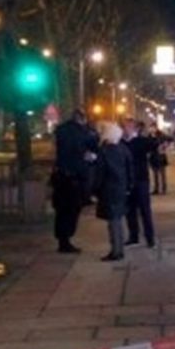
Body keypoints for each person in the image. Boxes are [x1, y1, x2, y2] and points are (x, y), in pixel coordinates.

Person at [52, 109, 94, 254]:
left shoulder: (61, 130)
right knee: (72, 209)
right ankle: (66, 239)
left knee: (61, 210)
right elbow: (92, 146)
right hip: (75, 177)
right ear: (81, 119)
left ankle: (61, 240)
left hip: (61, 176)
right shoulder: (82, 132)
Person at [94, 123, 133, 262]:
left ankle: (116, 251)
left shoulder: (104, 151)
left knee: (113, 222)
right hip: (121, 189)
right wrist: (129, 186)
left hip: (108, 189)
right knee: (118, 220)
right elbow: (130, 169)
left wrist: (94, 190)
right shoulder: (123, 149)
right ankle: (119, 249)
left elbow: (99, 173)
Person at [123, 119, 156, 248]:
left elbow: (155, 145)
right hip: (127, 181)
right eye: (124, 127)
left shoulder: (142, 141)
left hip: (141, 180)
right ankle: (133, 236)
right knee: (130, 210)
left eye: (128, 127)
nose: (125, 129)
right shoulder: (121, 143)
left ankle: (150, 238)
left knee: (145, 210)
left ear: (134, 129)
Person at [149, 124, 171, 195]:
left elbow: (169, 140)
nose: (151, 129)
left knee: (162, 174)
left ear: (155, 127)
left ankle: (164, 189)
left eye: (153, 127)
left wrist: (164, 147)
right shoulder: (150, 136)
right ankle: (156, 189)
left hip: (161, 157)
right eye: (151, 128)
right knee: (155, 174)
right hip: (153, 157)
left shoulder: (161, 135)